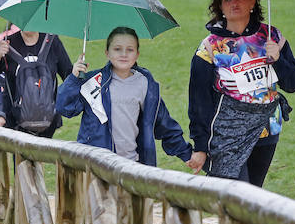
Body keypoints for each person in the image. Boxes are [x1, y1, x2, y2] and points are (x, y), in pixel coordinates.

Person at [187, 0, 295, 187]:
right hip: (227, 136)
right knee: (235, 199)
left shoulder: (272, 37)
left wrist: (278, 59)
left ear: (253, 1)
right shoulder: (209, 47)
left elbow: (294, 83)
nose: (234, 3)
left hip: (266, 131)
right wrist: (200, 146)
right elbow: (199, 102)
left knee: (252, 197)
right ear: (220, 7)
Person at [56, 26, 194, 168]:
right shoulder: (93, 82)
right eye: (117, 49)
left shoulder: (145, 84)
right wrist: (73, 79)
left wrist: (186, 154)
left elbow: (164, 124)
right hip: (96, 165)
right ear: (107, 53)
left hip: (132, 166)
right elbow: (64, 108)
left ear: (137, 55)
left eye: (130, 50)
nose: (124, 54)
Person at [0, 28, 72, 138]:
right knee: (20, 154)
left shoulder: (52, 41)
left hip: (47, 121)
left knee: (45, 154)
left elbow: (68, 75)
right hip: (16, 123)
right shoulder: (7, 44)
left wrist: (78, 73)